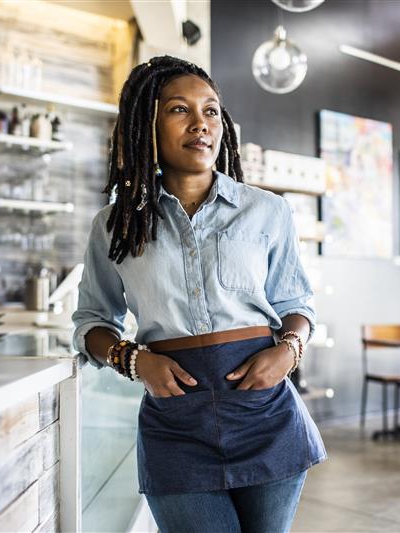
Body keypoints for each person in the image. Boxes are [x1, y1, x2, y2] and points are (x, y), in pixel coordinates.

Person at [73, 55, 327, 533]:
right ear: (146, 123)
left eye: (210, 111)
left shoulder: (266, 211)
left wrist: (288, 351)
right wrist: (133, 360)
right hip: (175, 427)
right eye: (178, 110)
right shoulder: (115, 225)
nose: (200, 124)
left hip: (266, 415)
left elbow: (297, 304)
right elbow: (91, 321)